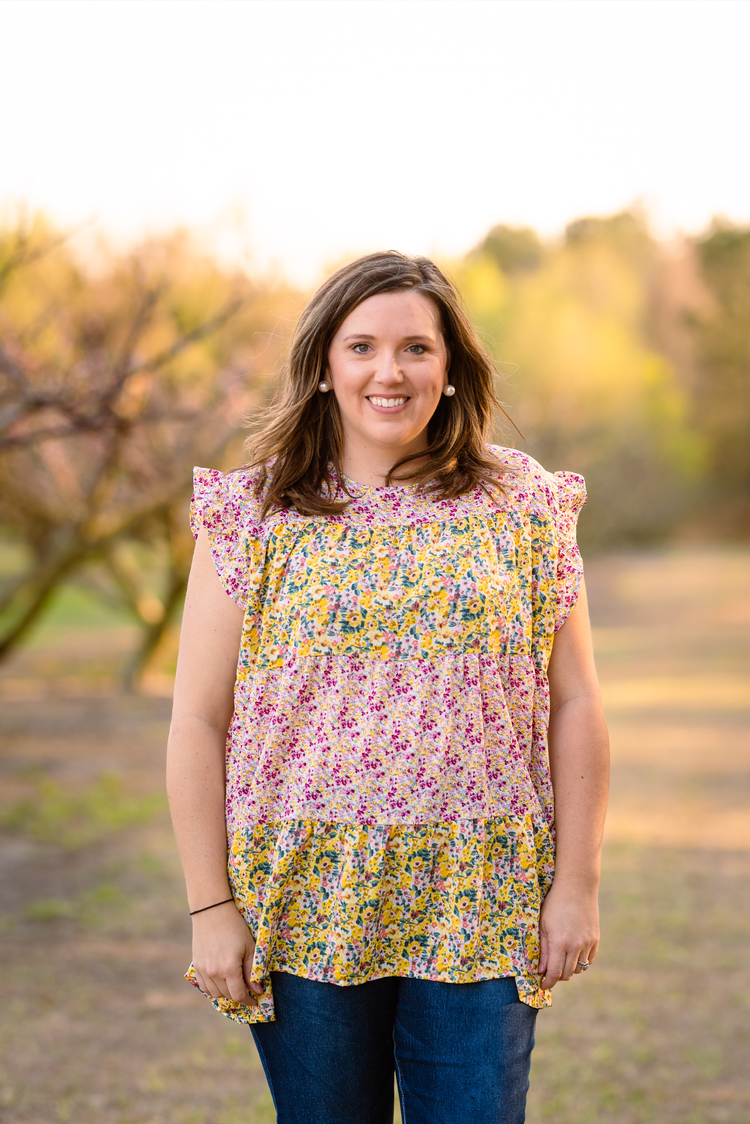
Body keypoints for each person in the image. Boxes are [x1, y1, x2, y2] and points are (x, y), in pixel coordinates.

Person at [166, 250, 610, 1124]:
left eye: (416, 348)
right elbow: (197, 719)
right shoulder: (253, 514)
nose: (389, 370)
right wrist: (210, 904)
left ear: (449, 371)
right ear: (326, 367)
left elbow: (577, 702)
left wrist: (578, 884)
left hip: (480, 893)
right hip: (305, 896)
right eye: (362, 345)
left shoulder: (520, 502)